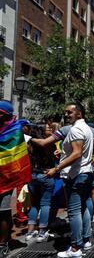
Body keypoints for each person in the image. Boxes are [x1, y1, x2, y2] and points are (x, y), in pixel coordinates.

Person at [46, 102, 94, 258]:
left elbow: (76, 153)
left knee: (73, 212)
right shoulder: (86, 128)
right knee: (82, 208)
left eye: (69, 112)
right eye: (65, 112)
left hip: (76, 175)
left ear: (79, 113)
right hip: (85, 173)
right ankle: (85, 240)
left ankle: (75, 247)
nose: (66, 115)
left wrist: (56, 168)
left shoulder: (76, 129)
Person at [0, 100, 31, 257]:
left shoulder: (14, 130)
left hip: (7, 178)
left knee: (4, 211)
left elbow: (17, 156)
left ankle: (3, 243)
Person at [25, 125, 57, 243]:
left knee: (34, 205)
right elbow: (55, 159)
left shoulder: (29, 145)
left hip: (32, 176)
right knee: (45, 204)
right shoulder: (49, 145)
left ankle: (30, 232)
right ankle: (42, 232)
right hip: (46, 175)